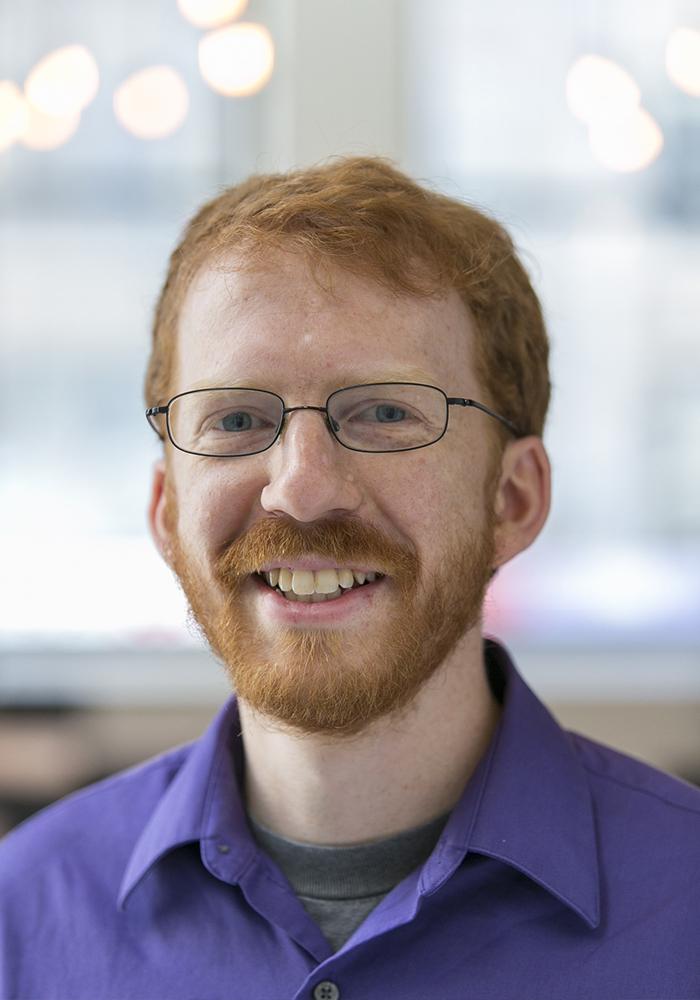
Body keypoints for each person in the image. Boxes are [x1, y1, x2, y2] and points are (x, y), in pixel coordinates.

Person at [1, 157, 699, 1000]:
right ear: (165, 508)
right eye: (237, 418)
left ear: (513, 499)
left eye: (384, 412)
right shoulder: (24, 919)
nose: (299, 488)